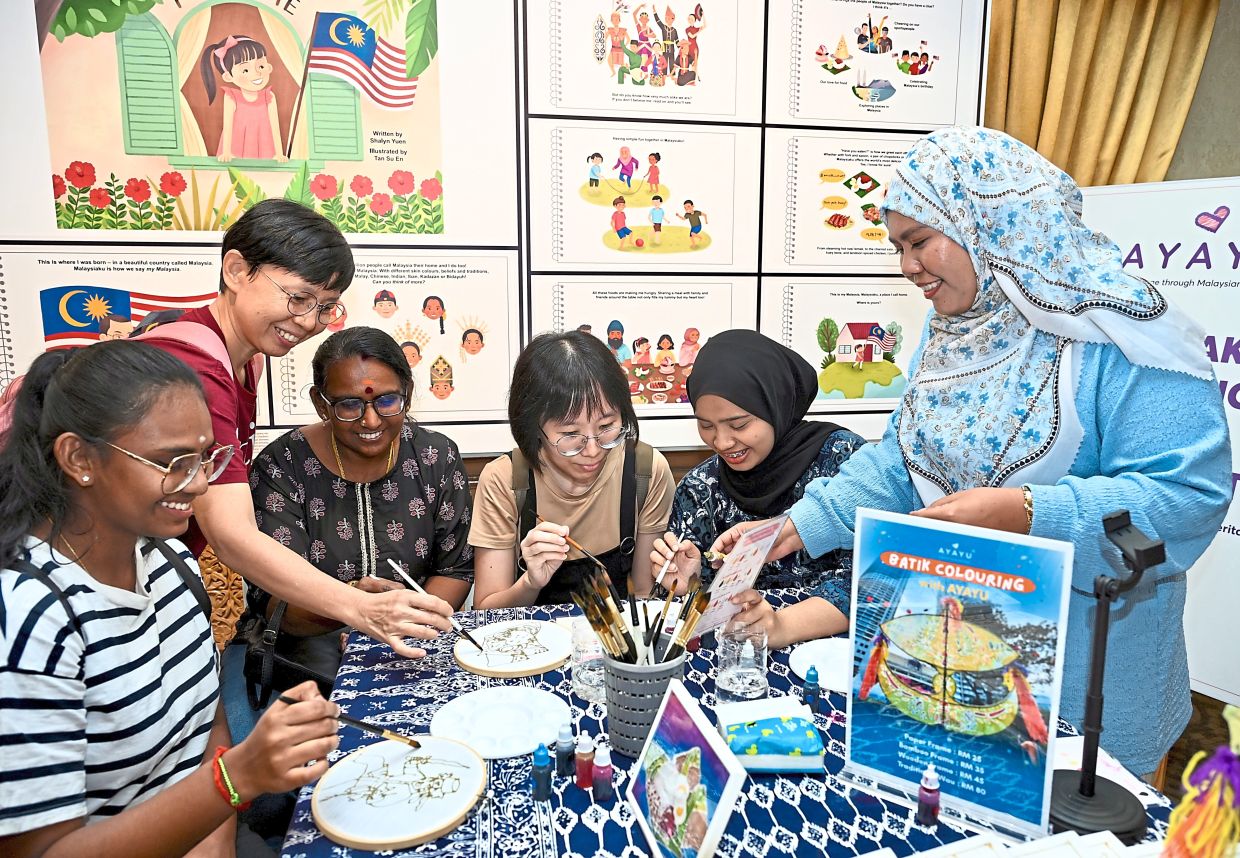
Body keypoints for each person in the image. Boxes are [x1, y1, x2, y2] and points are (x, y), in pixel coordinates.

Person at [712, 127, 1232, 775]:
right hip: (951, 677)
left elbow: (1186, 499)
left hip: (1086, 698)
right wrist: (794, 525)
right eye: (898, 246)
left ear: (989, 222)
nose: (907, 267)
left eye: (919, 241)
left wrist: (1027, 511)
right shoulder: (955, 332)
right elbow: (903, 459)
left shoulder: (1122, 333)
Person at [0, 341, 339, 856]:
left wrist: (217, 834)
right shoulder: (29, 618)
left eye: (205, 457)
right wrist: (235, 780)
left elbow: (207, 721)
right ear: (79, 458)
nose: (200, 483)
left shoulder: (170, 563)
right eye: (172, 461)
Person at [142, 199, 452, 660]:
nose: (309, 322)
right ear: (235, 270)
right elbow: (230, 534)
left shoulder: (247, 364)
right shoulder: (194, 368)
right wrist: (359, 607)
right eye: (297, 298)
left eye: (325, 307)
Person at [249, 328, 474, 684]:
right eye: (349, 405)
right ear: (321, 403)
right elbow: (276, 604)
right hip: (313, 655)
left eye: (386, 401)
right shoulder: (282, 466)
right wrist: (356, 608)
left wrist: (403, 622)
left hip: (415, 643)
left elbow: (455, 569)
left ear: (408, 395)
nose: (371, 421)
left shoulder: (436, 457)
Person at [650, 331, 866, 648]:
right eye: (706, 425)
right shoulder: (699, 489)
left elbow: (872, 581)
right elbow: (691, 613)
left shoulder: (843, 463)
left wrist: (782, 625)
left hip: (833, 653)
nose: (722, 442)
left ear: (776, 404)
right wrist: (686, 585)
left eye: (738, 425)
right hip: (736, 660)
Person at [470, 331, 675, 607]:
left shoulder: (645, 471)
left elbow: (642, 596)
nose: (593, 450)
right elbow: (486, 612)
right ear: (534, 428)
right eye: (570, 434)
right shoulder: (506, 480)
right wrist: (530, 582)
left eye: (606, 427)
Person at [200, 34, 287, 163]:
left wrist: (279, 154)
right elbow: (227, 126)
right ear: (228, 77)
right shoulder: (231, 97)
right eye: (245, 70)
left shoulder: (269, 97)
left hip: (264, 147)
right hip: (236, 149)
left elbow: (275, 128)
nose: (257, 73)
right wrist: (227, 152)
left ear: (268, 67)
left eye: (261, 66)